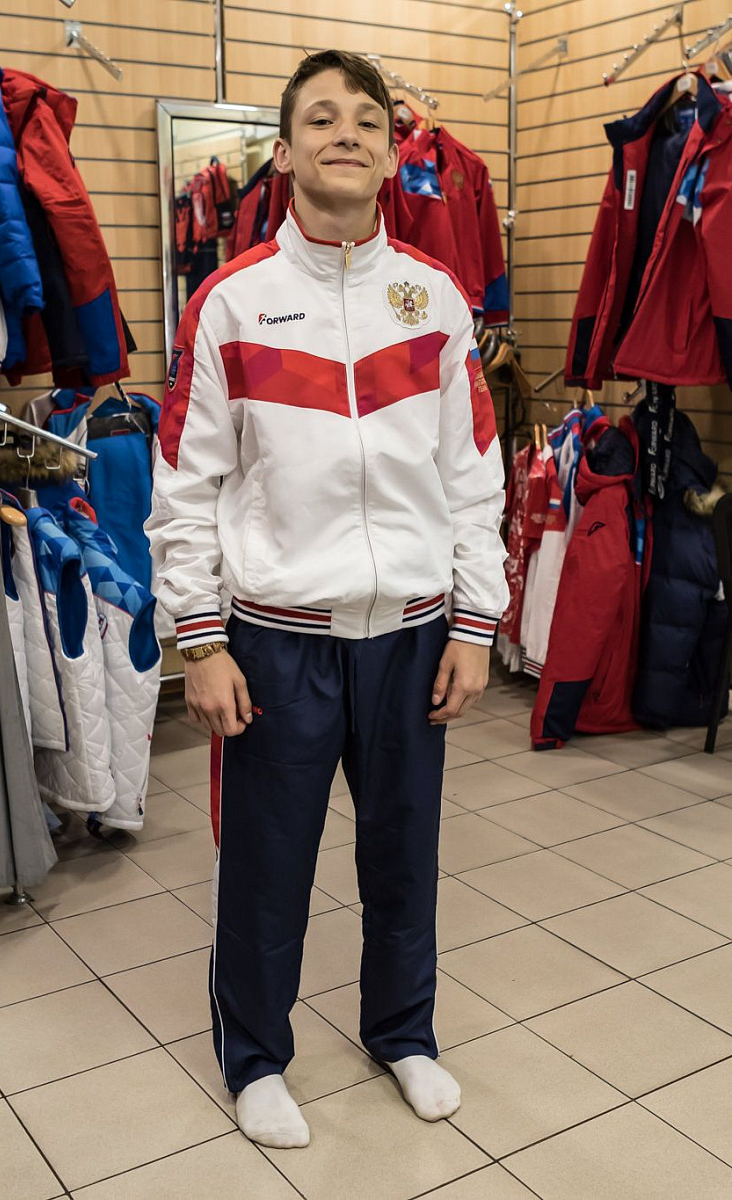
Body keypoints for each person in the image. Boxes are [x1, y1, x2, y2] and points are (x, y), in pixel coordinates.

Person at [146, 49, 509, 1150]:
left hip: (410, 638)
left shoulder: (435, 299)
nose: (344, 133)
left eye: (364, 119)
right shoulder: (231, 304)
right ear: (285, 150)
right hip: (276, 644)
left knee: (404, 855)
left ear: (392, 153)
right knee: (267, 866)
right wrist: (199, 640)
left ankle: (402, 1032)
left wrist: (476, 622)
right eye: (319, 118)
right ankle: (255, 1057)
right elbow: (184, 486)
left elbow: (471, 474)